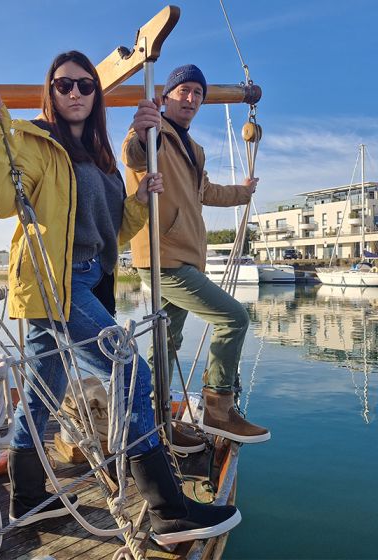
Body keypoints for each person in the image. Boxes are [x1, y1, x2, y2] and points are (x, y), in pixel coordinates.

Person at [0, 51, 241, 541]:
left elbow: (112, 234)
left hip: (87, 276)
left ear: (96, 94)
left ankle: (30, 499)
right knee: (129, 368)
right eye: (64, 85)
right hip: (53, 281)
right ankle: (168, 509)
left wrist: (139, 203)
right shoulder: (32, 141)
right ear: (50, 92)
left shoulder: (100, 156)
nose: (75, 93)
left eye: (85, 85)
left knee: (40, 394)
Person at [122, 64, 270, 444]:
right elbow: (134, 155)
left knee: (165, 341)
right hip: (163, 259)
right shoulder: (155, 131)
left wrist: (243, 192)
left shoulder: (193, 148)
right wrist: (141, 128)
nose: (190, 98)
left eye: (197, 93)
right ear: (167, 95)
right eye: (183, 90)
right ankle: (219, 408)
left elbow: (204, 192)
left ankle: (155, 424)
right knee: (233, 317)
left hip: (184, 256)